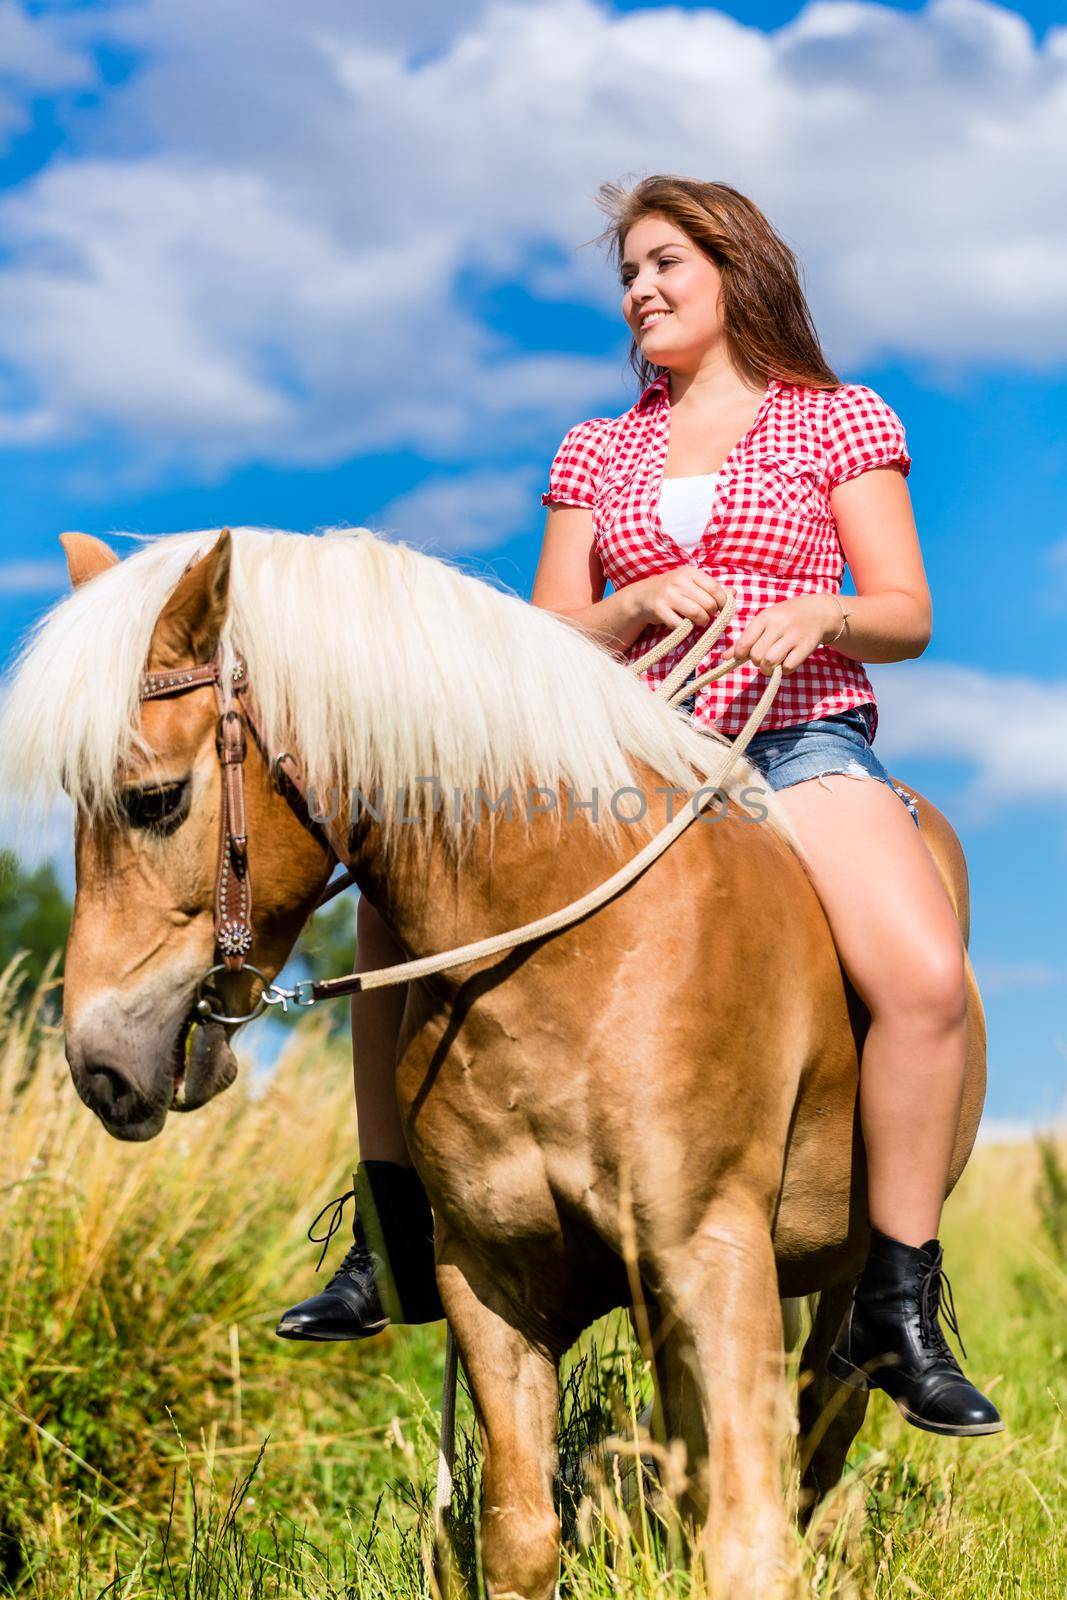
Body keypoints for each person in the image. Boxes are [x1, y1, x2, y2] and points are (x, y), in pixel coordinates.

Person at [275, 175, 1001, 1439]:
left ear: (736, 270)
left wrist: (818, 611)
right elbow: (550, 628)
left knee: (926, 977)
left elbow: (905, 609)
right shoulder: (593, 448)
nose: (641, 290)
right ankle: (390, 1233)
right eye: (628, 274)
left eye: (665, 263)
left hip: (790, 738)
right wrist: (617, 611)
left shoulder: (836, 420)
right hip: (615, 748)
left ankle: (897, 1299)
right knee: (399, 909)